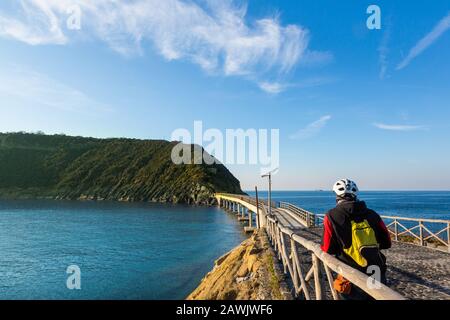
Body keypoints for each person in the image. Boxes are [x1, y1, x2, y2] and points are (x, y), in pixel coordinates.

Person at [321, 179, 391, 300]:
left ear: (337, 195)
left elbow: (327, 247)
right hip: (376, 271)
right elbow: (387, 242)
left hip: (351, 275)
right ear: (355, 194)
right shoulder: (372, 214)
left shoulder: (331, 215)